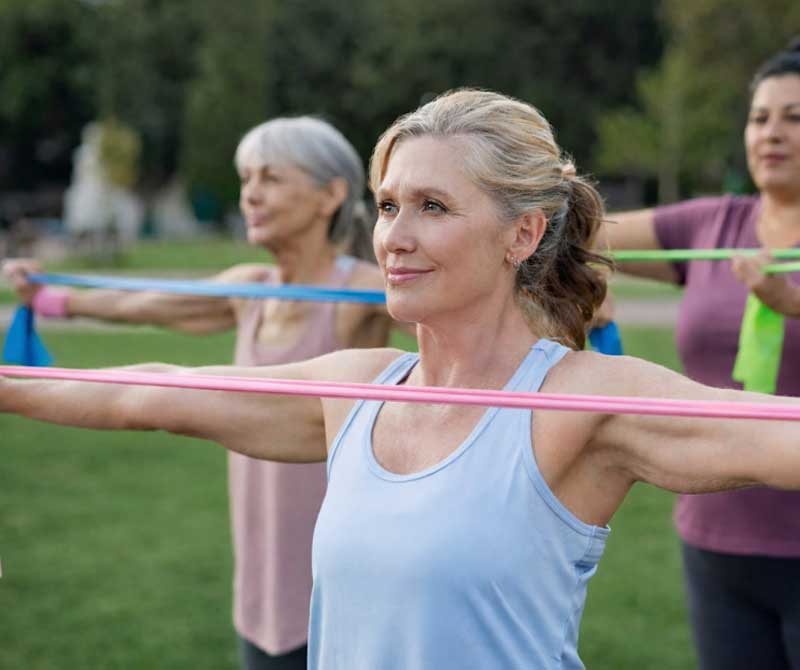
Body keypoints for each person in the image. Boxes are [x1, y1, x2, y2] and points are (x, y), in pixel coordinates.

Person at [5, 88, 800, 670]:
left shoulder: (580, 402)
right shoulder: (357, 387)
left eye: (431, 207)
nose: (395, 237)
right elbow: (143, 391)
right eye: (388, 206)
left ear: (521, 233)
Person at [3, 116, 405, 670]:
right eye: (245, 180)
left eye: (269, 178)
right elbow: (141, 304)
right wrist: (46, 297)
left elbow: (456, 311)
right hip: (261, 577)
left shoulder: (358, 288)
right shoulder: (252, 289)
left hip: (341, 581)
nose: (250, 196)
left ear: (330, 195)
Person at [601, 40, 800, 670]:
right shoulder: (710, 225)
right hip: (716, 539)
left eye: (795, 117)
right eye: (760, 117)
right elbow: (577, 234)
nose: (772, 133)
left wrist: (791, 302)